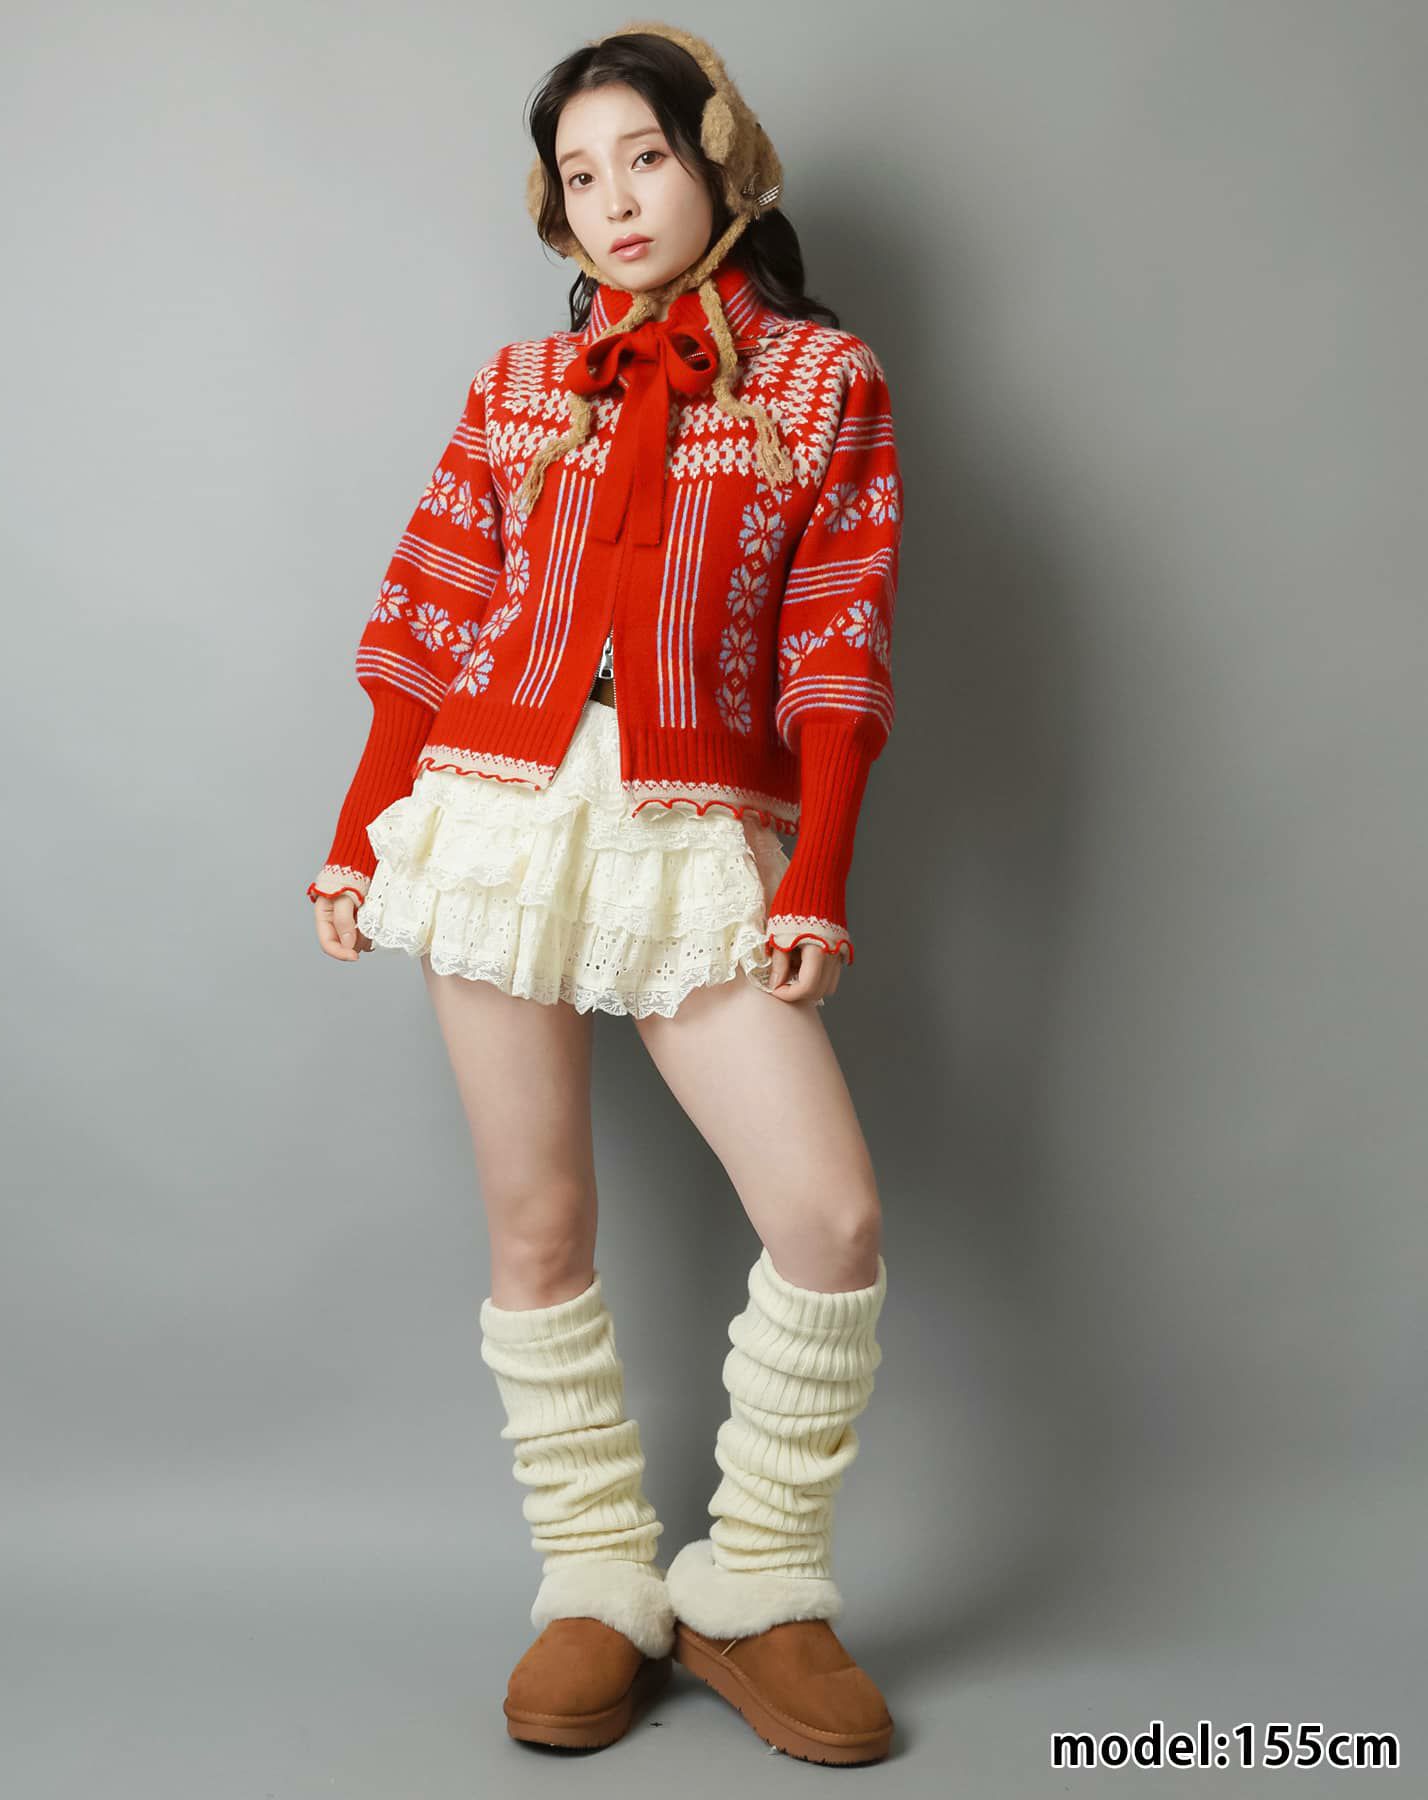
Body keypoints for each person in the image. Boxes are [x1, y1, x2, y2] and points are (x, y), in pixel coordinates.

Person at [306, 22, 904, 1766]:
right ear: (555, 211)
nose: (616, 199)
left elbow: (837, 644)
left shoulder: (823, 384)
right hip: (489, 816)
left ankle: (755, 1581)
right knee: (539, 1229)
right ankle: (594, 1580)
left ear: (723, 162)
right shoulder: (516, 388)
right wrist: (359, 830)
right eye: (580, 175)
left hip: (689, 831)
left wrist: (818, 869)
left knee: (830, 1220)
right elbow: (427, 610)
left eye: (645, 154)